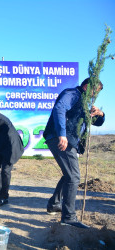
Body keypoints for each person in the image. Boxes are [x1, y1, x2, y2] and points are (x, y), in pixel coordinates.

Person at [43, 78, 105, 229]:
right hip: (61, 139)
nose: (93, 96)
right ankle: (69, 218)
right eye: (94, 92)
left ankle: (54, 204)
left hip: (68, 140)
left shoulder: (84, 102)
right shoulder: (73, 94)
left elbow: (96, 122)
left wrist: (100, 114)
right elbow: (60, 108)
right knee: (74, 176)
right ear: (86, 86)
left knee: (68, 174)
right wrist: (62, 134)